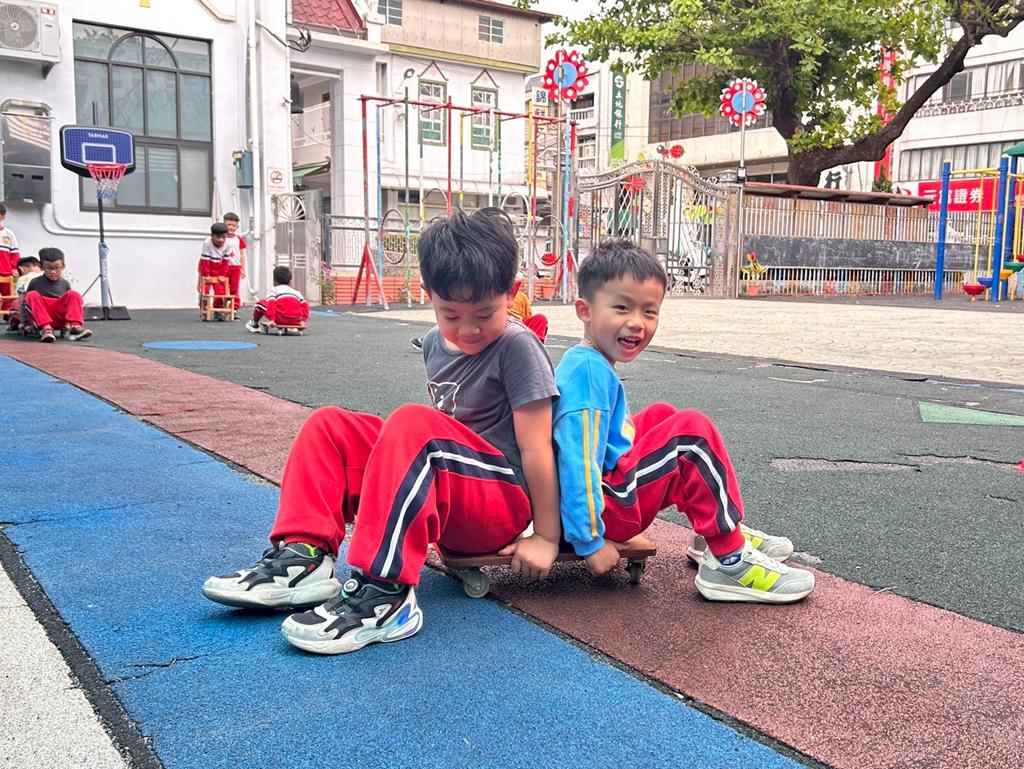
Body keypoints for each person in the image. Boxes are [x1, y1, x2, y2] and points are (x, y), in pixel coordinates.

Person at [204, 208, 562, 654]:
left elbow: (537, 449)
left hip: (499, 504)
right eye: (451, 314)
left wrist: (545, 536)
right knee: (330, 426)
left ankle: (385, 592)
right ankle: (304, 557)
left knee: (413, 422)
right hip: (451, 492)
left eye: (484, 314)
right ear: (427, 295)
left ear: (512, 293)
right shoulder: (434, 343)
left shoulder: (517, 346)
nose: (468, 329)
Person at [552, 239, 814, 604]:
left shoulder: (587, 360)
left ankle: (713, 531)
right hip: (606, 509)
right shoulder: (589, 373)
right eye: (622, 308)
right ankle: (729, 558)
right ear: (585, 310)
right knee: (692, 433)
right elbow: (577, 462)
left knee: (662, 416)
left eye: (649, 311)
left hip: (604, 496)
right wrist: (589, 541)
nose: (636, 323)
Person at [410, 277, 548, 349]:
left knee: (540, 319)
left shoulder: (520, 297)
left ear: (511, 291)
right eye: (451, 316)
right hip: (499, 323)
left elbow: (528, 317)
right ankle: (435, 342)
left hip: (514, 325)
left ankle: (533, 345)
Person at [22, 248, 92, 343]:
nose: (53, 271)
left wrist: (67, 323)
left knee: (73, 294)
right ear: (42, 267)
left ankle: (75, 327)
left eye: (57, 267)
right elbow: (26, 306)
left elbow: (71, 306)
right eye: (49, 268)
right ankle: (46, 329)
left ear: (63, 267)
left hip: (59, 318)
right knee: (31, 295)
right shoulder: (35, 282)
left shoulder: (65, 284)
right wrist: (25, 323)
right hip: (41, 319)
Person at [246, 265, 309, 333]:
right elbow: (305, 305)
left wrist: (272, 319)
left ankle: (254, 325)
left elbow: (271, 303)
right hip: (296, 320)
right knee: (291, 306)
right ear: (290, 282)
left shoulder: (274, 290)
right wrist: (303, 320)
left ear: (274, 282)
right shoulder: (296, 292)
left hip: (280, 318)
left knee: (260, 303)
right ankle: (291, 327)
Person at [197, 222, 236, 318]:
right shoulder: (207, 243)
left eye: (223, 237)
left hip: (219, 268)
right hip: (207, 266)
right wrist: (206, 275)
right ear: (212, 236)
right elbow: (205, 261)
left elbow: (226, 261)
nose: (221, 240)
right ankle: (204, 307)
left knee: (220, 291)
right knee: (205, 290)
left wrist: (223, 274)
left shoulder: (228, 244)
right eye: (218, 237)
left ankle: (218, 310)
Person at [6, 255, 42, 333]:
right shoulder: (46, 276)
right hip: (49, 312)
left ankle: (15, 323)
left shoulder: (22, 279)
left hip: (31, 312)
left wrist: (24, 322)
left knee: (15, 303)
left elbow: (21, 301)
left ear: (21, 269)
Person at [223, 212, 247, 312]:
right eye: (229, 225)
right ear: (224, 224)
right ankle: (220, 307)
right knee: (222, 287)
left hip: (236, 267)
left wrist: (243, 269)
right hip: (223, 267)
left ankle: (235, 307)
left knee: (234, 288)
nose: (231, 227)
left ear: (237, 227)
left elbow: (242, 255)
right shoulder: (221, 238)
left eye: (234, 226)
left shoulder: (238, 239)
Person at [0, 202, 20, 319]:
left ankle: (7, 317)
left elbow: (15, 253)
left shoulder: (9, 234)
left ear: (3, 217)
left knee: (8, 296)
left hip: (6, 272)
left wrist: (14, 268)